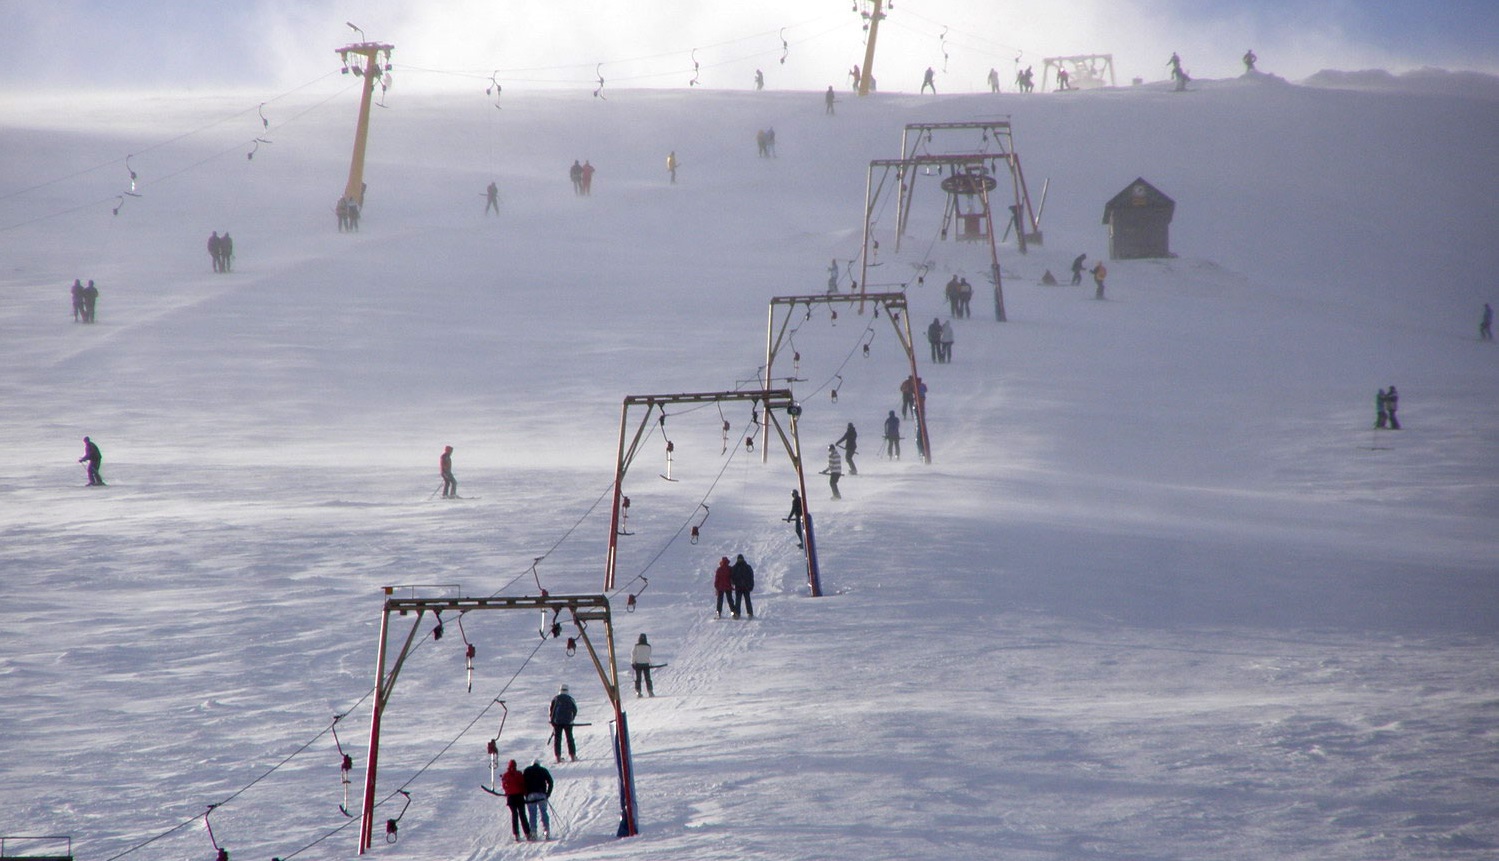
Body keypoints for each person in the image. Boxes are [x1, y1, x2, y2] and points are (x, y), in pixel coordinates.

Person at [499, 759, 532, 842]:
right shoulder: (519, 774)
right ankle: (527, 833)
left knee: (514, 815)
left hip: (511, 798)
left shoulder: (505, 775)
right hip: (519, 797)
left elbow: (504, 785)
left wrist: (507, 792)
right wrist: (525, 794)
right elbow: (523, 784)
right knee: (522, 815)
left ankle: (516, 834)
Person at [522, 760, 553, 840]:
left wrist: (525, 794)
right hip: (541, 794)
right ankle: (546, 831)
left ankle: (533, 832)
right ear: (539, 764)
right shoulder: (543, 770)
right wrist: (548, 793)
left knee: (532, 814)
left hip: (531, 795)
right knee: (543, 812)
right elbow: (550, 781)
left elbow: (522, 783)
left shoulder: (527, 770)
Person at [550, 684, 578, 762]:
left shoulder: (556, 699)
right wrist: (572, 718)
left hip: (557, 722)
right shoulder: (570, 699)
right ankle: (572, 756)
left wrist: (552, 720)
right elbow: (575, 710)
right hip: (568, 722)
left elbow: (551, 710)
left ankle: (558, 757)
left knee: (557, 739)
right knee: (570, 739)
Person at [730, 554, 755, 618]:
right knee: (739, 600)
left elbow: (751, 577)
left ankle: (749, 613)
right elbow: (731, 577)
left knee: (745, 600)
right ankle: (740, 613)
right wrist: (733, 582)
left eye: (741, 559)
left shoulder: (744, 567)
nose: (740, 560)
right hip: (741, 587)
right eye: (739, 559)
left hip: (744, 586)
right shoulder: (737, 567)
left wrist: (751, 585)